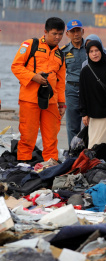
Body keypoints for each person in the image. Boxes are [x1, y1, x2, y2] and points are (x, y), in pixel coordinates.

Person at [11, 17, 66, 162]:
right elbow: (16, 66)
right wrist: (33, 77)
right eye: (54, 33)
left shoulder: (61, 54)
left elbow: (60, 82)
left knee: (51, 137)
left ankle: (50, 165)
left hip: (51, 101)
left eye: (61, 34)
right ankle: (23, 164)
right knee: (28, 135)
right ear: (45, 32)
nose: (58, 37)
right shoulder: (30, 44)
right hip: (30, 99)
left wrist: (62, 104)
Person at [79, 40, 106, 149]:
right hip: (95, 114)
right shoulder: (85, 71)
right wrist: (84, 113)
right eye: (91, 51)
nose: (94, 54)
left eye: (97, 50)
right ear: (87, 54)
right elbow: (82, 94)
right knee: (95, 144)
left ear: (101, 51)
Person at [61, 19, 86, 146]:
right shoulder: (63, 51)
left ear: (83, 31)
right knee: (72, 125)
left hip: (88, 90)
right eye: (73, 31)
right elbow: (58, 75)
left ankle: (87, 152)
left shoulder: (90, 48)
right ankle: (72, 152)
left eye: (78, 31)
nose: (76, 34)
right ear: (67, 34)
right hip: (71, 90)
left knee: (89, 123)